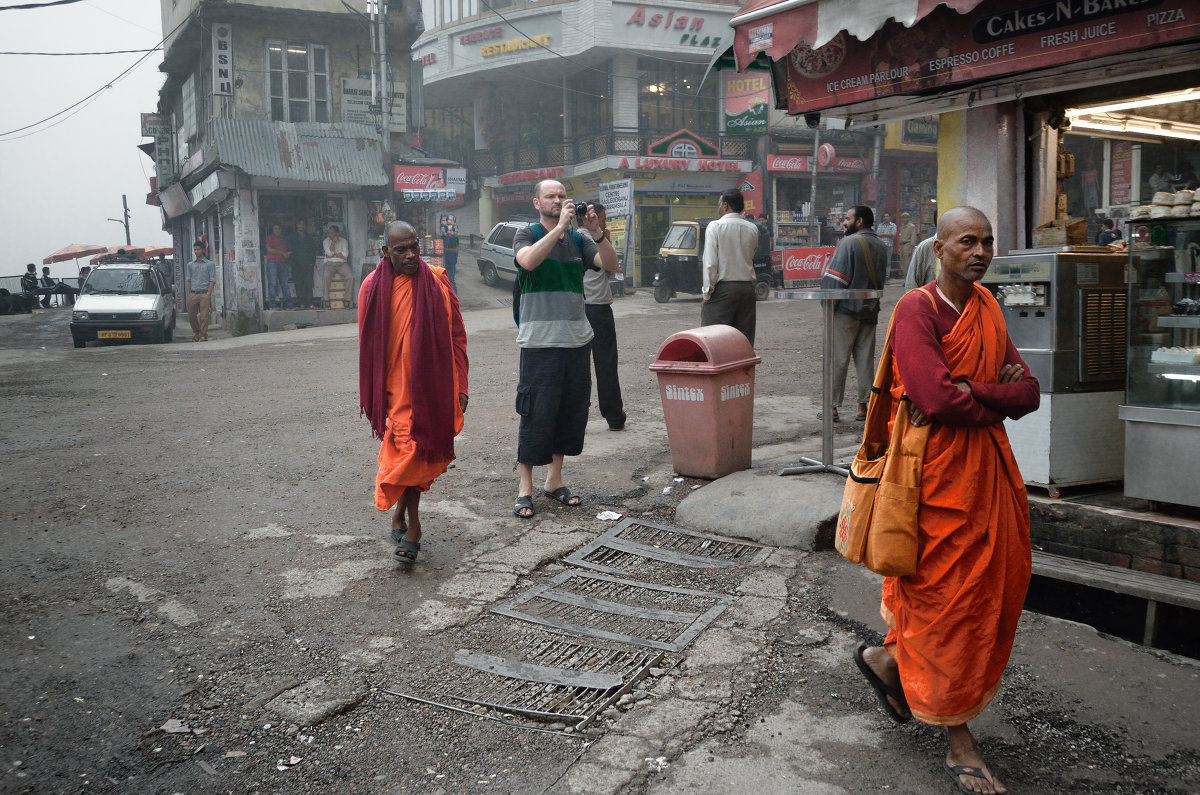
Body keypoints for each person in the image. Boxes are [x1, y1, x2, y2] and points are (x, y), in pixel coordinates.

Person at [853, 206, 1040, 795]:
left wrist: (977, 391)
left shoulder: (986, 308)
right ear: (939, 248)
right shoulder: (919, 309)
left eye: (987, 241)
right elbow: (934, 401)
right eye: (967, 241)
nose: (980, 251)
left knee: (985, 589)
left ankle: (886, 662)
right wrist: (992, 398)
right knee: (943, 598)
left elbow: (1030, 392)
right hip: (933, 477)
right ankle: (958, 736)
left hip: (986, 468)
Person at [358, 221, 468, 564]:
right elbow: (368, 348)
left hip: (433, 385)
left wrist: (461, 386)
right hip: (395, 389)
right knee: (408, 449)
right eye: (401, 250)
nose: (410, 255)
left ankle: (411, 524)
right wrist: (376, 393)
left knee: (417, 449)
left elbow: (457, 336)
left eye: (414, 247)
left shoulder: (437, 279)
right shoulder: (371, 289)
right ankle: (407, 521)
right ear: (385, 253)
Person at [511, 179, 618, 519]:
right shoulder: (526, 234)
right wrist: (558, 227)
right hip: (539, 342)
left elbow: (610, 264)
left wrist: (597, 231)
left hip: (576, 340)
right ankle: (524, 487)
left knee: (570, 411)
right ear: (536, 202)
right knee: (535, 412)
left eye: (561, 196)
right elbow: (528, 261)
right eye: (550, 197)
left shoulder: (579, 239)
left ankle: (554, 480)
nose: (558, 200)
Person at [820, 205, 889, 422]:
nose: (843, 222)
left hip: (847, 312)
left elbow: (834, 281)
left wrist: (826, 305)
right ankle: (864, 406)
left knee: (837, 359)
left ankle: (832, 407)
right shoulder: (880, 245)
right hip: (870, 310)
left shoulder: (849, 242)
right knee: (865, 360)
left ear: (859, 222)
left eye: (848, 218)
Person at [583, 202, 627, 431]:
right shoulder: (591, 240)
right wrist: (603, 239)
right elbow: (610, 269)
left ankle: (577, 417)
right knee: (606, 363)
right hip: (597, 308)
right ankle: (614, 416)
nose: (605, 223)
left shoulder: (571, 237)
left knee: (579, 366)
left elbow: (608, 269)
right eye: (603, 218)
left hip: (580, 309)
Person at [700, 188, 759, 345]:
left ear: (726, 206)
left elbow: (710, 264)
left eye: (719, 203)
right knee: (743, 342)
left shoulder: (715, 226)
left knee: (714, 341)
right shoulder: (753, 228)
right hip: (747, 290)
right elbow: (751, 255)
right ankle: (743, 370)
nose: (718, 207)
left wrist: (707, 293)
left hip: (723, 290)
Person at [186, 241, 216, 342]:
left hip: (204, 293)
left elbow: (212, 280)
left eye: (198, 249)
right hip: (193, 293)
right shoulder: (190, 265)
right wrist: (189, 293)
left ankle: (203, 334)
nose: (196, 251)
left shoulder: (209, 264)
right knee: (191, 316)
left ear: (203, 250)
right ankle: (197, 332)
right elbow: (188, 280)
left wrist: (208, 294)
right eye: (195, 249)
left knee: (204, 316)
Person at [288, 218, 320, 309]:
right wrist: (293, 262)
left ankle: (310, 302)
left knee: (308, 284)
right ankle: (301, 303)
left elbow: (313, 251)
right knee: (298, 284)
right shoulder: (292, 237)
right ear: (297, 225)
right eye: (299, 224)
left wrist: (311, 263)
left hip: (308, 264)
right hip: (296, 264)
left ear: (305, 226)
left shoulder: (309, 237)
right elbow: (290, 250)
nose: (301, 226)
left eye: (303, 224)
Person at [322, 224, 353, 309]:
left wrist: (333, 255)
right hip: (330, 263)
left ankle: (347, 299)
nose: (330, 235)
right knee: (326, 276)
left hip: (342, 263)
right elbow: (329, 254)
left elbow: (345, 254)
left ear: (337, 234)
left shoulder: (344, 241)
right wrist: (333, 243)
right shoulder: (326, 241)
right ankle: (326, 299)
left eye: (332, 233)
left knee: (350, 277)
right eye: (329, 233)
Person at [264, 223, 292, 309]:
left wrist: (288, 253)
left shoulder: (284, 239)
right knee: (272, 283)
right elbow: (269, 249)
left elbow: (287, 250)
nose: (277, 230)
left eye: (279, 228)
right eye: (275, 228)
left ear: (281, 229)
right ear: (273, 230)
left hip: (283, 263)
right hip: (273, 262)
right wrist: (282, 253)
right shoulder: (270, 238)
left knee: (285, 284)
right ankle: (272, 304)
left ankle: (289, 305)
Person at [876, 211, 898, 278]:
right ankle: (881, 274)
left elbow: (892, 234)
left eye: (887, 216)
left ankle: (887, 275)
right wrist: (886, 234)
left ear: (890, 217)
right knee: (880, 260)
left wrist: (882, 234)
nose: (886, 218)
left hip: (889, 245)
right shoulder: (880, 225)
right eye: (884, 216)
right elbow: (877, 234)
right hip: (881, 245)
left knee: (888, 261)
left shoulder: (893, 225)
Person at [897, 212, 918, 278]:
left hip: (908, 245)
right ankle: (905, 277)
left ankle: (908, 278)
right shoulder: (902, 227)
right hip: (902, 245)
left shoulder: (911, 226)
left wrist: (911, 248)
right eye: (903, 218)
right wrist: (899, 247)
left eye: (905, 217)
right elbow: (901, 237)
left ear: (908, 218)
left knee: (907, 263)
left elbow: (913, 237)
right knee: (902, 263)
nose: (904, 219)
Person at [442, 228, 459, 293]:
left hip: (452, 263)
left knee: (451, 280)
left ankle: (455, 297)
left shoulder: (455, 238)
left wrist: (445, 249)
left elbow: (455, 249)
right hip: (446, 262)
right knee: (445, 280)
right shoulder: (446, 237)